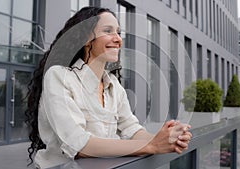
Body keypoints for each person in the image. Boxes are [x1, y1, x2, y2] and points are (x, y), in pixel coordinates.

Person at [25, 6, 192, 169]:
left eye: (118, 32)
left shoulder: (114, 86)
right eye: (108, 31)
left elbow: (131, 129)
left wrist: (167, 138)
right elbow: (79, 145)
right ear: (85, 38)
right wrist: (152, 146)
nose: (118, 38)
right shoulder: (59, 76)